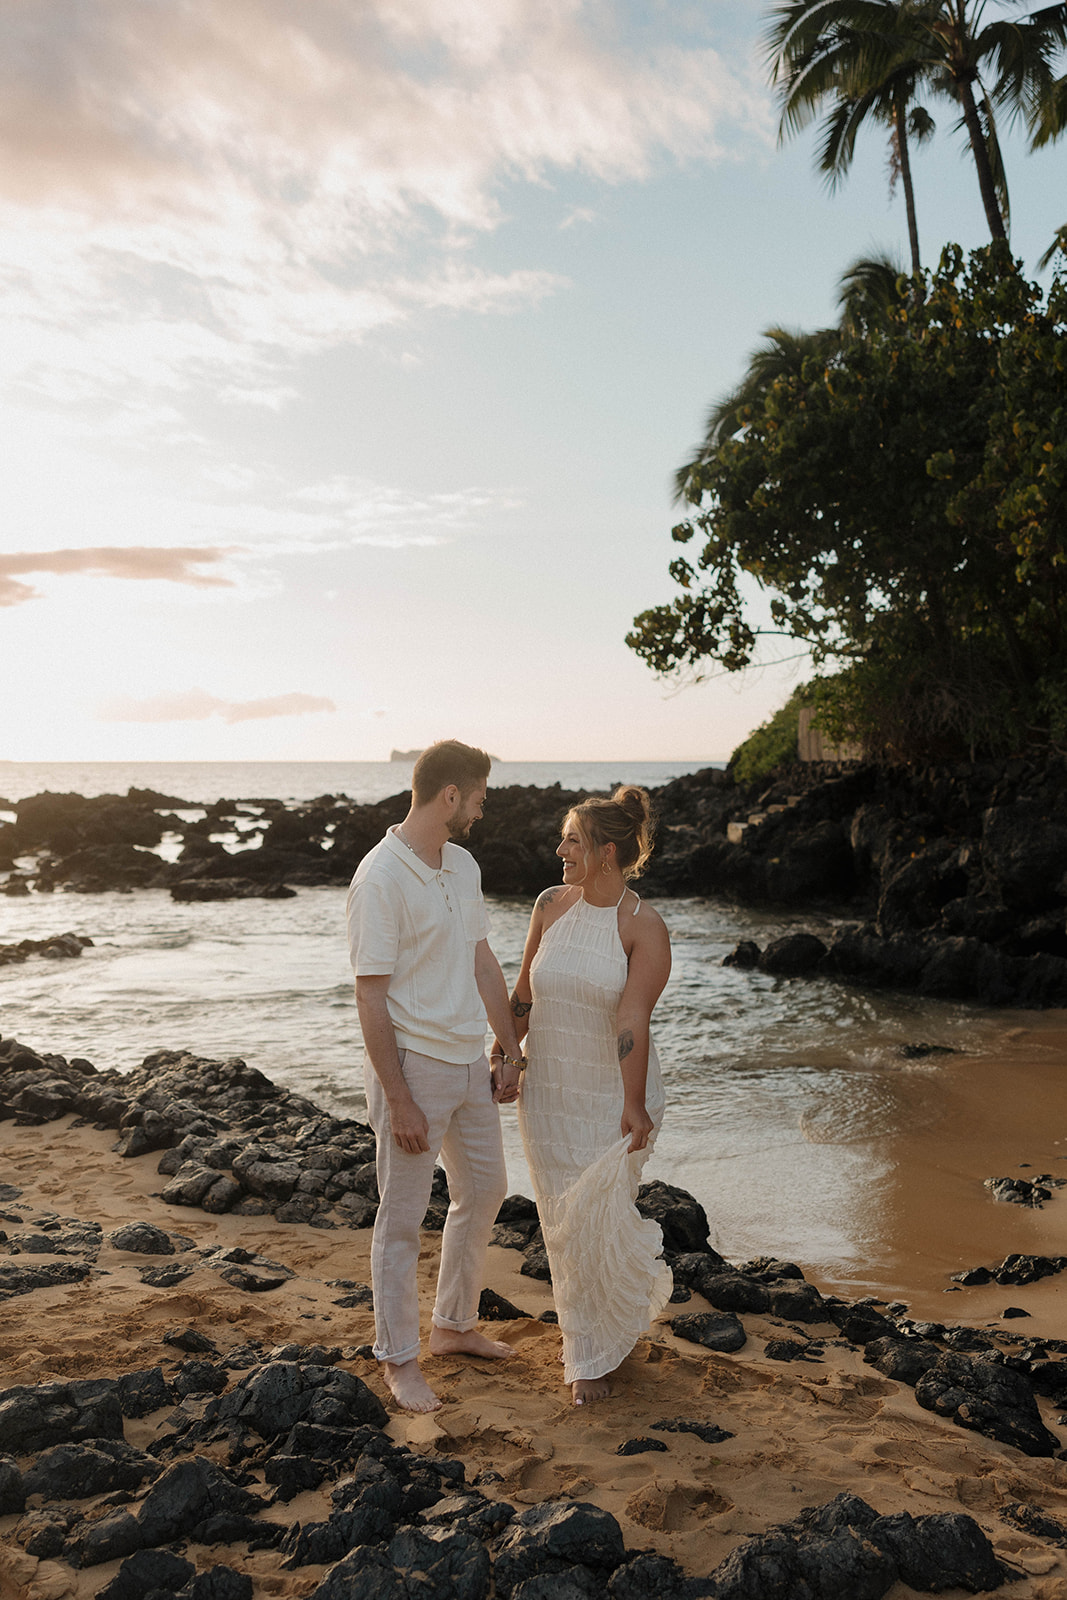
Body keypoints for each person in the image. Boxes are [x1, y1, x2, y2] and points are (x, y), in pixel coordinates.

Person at [346, 739, 526, 1413]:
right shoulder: (380, 878)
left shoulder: (462, 864)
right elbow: (369, 995)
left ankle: (452, 1325)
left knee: (484, 1189)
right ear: (450, 795)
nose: (482, 808)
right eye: (479, 796)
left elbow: (482, 960)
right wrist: (398, 1100)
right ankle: (397, 1359)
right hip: (414, 1071)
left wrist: (508, 1049)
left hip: (466, 1059)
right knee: (399, 1220)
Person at [499, 785, 673, 1406]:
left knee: (597, 1212)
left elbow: (633, 1020)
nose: (560, 849)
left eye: (573, 838)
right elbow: (525, 994)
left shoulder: (642, 926)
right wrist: (506, 1054)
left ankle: (596, 1349)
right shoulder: (549, 905)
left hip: (606, 1091)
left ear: (607, 851)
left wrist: (633, 1103)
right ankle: (587, 1354)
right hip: (547, 1090)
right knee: (560, 1219)